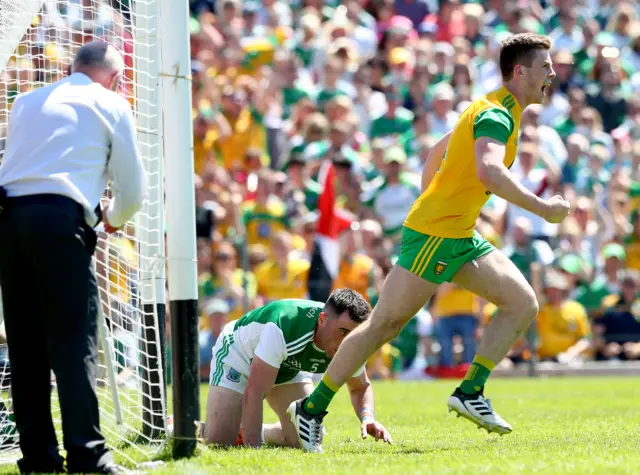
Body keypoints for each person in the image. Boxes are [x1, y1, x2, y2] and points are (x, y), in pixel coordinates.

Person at [287, 33, 571, 452]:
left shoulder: (492, 106)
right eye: (544, 67)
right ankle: (311, 410)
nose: (552, 74)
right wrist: (543, 209)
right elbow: (490, 171)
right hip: (437, 234)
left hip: (457, 233)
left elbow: (434, 155)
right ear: (520, 72)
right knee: (383, 325)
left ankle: (470, 392)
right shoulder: (497, 115)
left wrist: (434, 203)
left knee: (522, 302)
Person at [0, 42, 146, 474]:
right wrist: (113, 220)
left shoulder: (26, 102)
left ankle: (39, 457)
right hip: (60, 221)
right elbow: (132, 193)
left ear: (70, 68)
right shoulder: (112, 103)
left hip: (9, 222)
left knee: (25, 349)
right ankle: (88, 455)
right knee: (73, 343)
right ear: (115, 78)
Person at [204, 289, 391, 450]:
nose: (346, 342)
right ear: (322, 320)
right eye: (342, 332)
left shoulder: (352, 343)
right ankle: (178, 427)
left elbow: (360, 387)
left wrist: (368, 417)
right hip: (239, 356)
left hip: (288, 367)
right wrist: (253, 450)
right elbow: (255, 392)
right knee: (219, 442)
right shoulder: (284, 324)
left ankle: (248, 431)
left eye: (354, 335)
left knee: (304, 438)